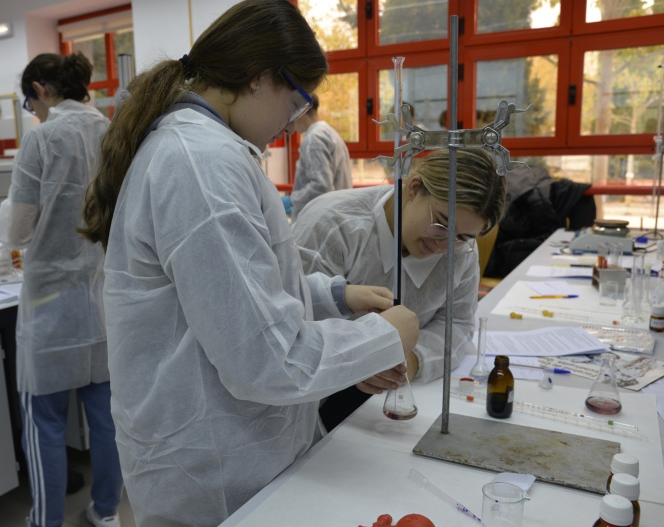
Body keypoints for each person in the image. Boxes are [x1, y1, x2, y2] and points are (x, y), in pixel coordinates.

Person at [79, 1, 419, 525]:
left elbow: (240, 287)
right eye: (298, 99)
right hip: (212, 471)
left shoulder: (210, 150)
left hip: (237, 448)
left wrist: (333, 296)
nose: (292, 122)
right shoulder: (200, 163)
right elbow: (266, 360)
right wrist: (381, 336)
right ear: (261, 77)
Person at [0, 52, 123, 527]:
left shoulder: (42, 138)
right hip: (104, 302)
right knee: (107, 420)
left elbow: (18, 228)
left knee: (44, 422)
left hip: (50, 307)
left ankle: (46, 522)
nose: (34, 112)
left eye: (30, 103)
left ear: (42, 90)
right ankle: (107, 512)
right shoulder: (113, 134)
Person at [291, 149, 508, 431]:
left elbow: (457, 323)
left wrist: (411, 359)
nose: (445, 245)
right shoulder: (333, 223)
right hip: (310, 404)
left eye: (463, 237)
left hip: (384, 404)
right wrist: (360, 355)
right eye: (441, 225)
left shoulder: (461, 250)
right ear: (414, 188)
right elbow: (293, 326)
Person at [283, 92, 352, 220]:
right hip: (337, 216)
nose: (289, 123)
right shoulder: (329, 133)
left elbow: (321, 186)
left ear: (301, 111)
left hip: (323, 220)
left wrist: (293, 200)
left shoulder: (314, 139)